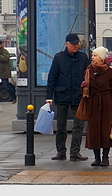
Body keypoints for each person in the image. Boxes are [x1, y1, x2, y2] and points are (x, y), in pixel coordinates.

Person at [46, 33, 89, 162]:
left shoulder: (83, 57)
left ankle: (75, 152)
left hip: (78, 95)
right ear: (66, 44)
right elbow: (52, 77)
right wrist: (49, 96)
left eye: (77, 44)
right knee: (61, 126)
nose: (76, 46)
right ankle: (61, 151)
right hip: (62, 95)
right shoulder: (59, 58)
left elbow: (88, 75)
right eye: (73, 44)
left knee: (79, 125)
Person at [82, 47, 112, 167]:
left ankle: (105, 157)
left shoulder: (110, 72)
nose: (93, 58)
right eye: (92, 55)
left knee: (106, 131)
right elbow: (85, 89)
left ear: (102, 58)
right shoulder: (88, 70)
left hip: (106, 104)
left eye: (95, 55)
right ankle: (96, 157)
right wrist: (83, 86)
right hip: (93, 103)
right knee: (93, 131)